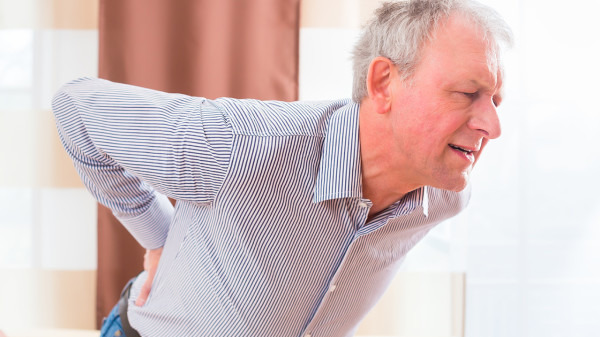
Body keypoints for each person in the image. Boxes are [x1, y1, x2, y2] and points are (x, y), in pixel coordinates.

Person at [52, 0, 512, 336]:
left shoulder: (445, 193)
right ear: (383, 83)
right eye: (467, 93)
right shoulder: (244, 146)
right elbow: (77, 108)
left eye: (495, 100)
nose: (492, 125)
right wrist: (158, 239)